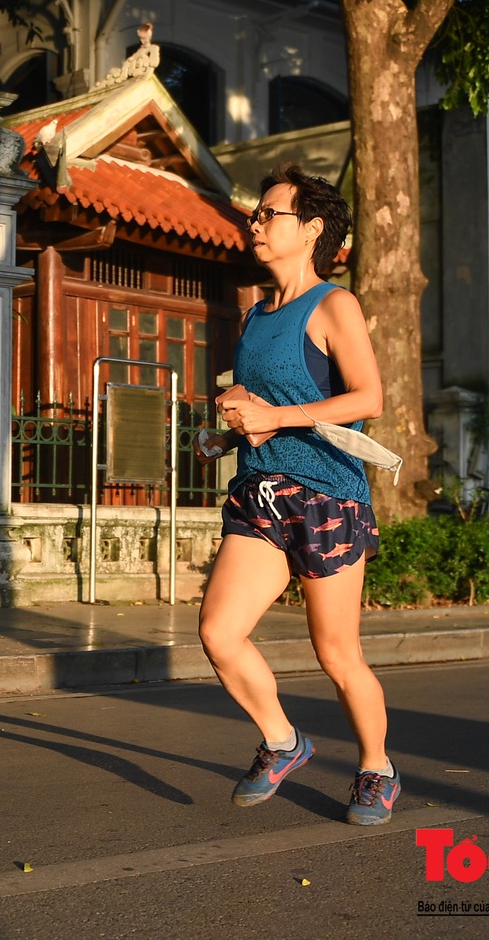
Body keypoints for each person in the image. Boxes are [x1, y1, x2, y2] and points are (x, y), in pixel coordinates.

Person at [197, 162, 398, 826]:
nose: (254, 222)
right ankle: (283, 741)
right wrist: (228, 432)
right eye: (256, 213)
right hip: (260, 492)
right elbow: (266, 407)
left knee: (337, 654)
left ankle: (377, 768)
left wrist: (274, 416)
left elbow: (368, 398)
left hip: (326, 495)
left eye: (269, 213)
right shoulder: (256, 316)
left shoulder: (335, 304)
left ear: (311, 229)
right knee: (219, 632)